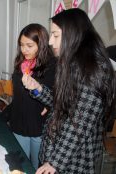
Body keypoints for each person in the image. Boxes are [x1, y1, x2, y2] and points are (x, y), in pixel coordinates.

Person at [22, 8, 115, 174]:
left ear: (74, 35)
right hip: (55, 151)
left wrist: (55, 163)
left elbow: (79, 123)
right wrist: (38, 89)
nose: (50, 42)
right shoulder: (71, 64)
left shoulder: (94, 70)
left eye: (56, 35)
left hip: (71, 161)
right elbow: (61, 105)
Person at [9, 23, 55, 169]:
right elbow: (18, 94)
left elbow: (56, 95)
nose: (24, 50)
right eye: (22, 45)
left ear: (41, 45)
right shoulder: (20, 63)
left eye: (29, 45)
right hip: (19, 123)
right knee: (19, 166)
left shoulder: (53, 65)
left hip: (38, 125)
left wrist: (49, 106)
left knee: (37, 167)